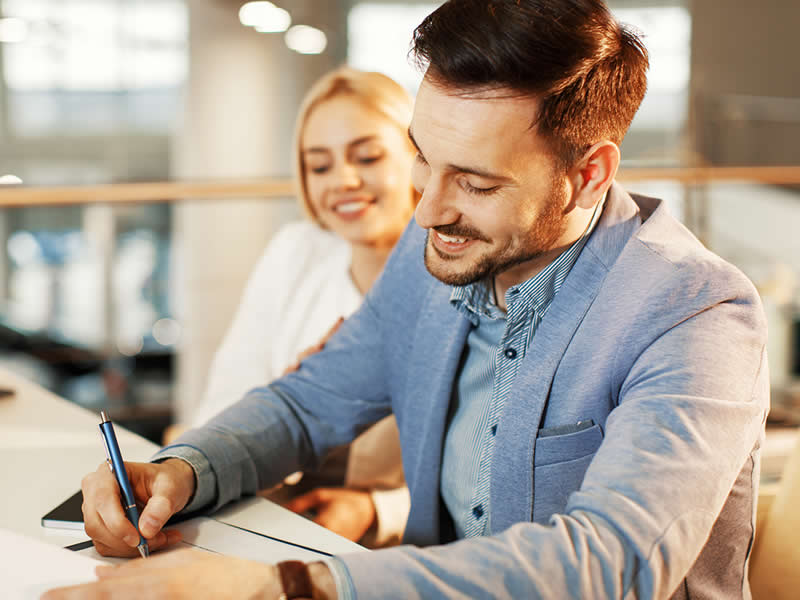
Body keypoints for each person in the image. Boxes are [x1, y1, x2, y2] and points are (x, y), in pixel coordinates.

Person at [47, 1, 769, 599]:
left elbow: (609, 564)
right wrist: (184, 470)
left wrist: (286, 588)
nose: (426, 211)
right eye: (423, 156)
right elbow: (308, 404)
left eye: (477, 183)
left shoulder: (694, 313)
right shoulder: (435, 257)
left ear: (587, 175)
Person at [165, 66, 417, 546]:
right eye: (319, 166)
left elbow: (481, 469)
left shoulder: (459, 271)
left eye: (366, 157)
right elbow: (225, 403)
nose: (343, 180)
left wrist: (376, 510)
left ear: (417, 156)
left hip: (404, 549)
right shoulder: (296, 251)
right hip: (274, 521)